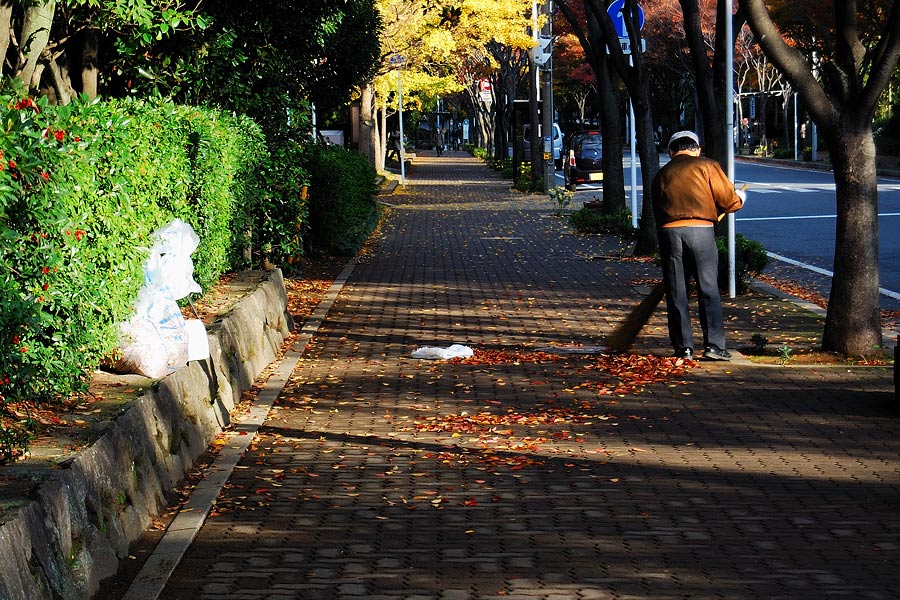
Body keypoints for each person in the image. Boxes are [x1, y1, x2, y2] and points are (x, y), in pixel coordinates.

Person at [650, 130, 746, 361]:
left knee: (676, 292)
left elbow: (657, 210)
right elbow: (729, 200)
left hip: (669, 234)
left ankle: (684, 348)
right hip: (701, 232)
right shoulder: (707, 166)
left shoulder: (661, 175)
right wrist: (740, 199)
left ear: (672, 151)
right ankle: (713, 346)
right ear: (697, 149)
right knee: (708, 288)